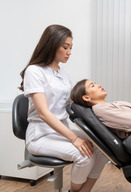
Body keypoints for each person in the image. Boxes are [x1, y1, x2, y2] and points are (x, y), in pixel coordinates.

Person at [19, 25, 107, 192]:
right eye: (65, 47)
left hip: (60, 131)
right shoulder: (35, 71)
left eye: (71, 48)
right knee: (85, 157)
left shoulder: (64, 74)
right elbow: (44, 114)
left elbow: (73, 104)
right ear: (52, 45)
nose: (69, 52)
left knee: (103, 149)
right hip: (40, 135)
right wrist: (74, 138)